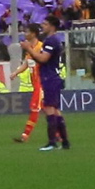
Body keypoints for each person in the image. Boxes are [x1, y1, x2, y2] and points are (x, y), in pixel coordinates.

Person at [28, 22, 71, 152]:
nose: (43, 26)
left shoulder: (51, 41)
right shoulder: (51, 40)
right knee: (55, 109)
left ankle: (53, 142)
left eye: (46, 24)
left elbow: (43, 58)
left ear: (52, 26)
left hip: (50, 78)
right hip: (52, 77)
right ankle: (65, 142)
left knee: (49, 108)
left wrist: (29, 49)